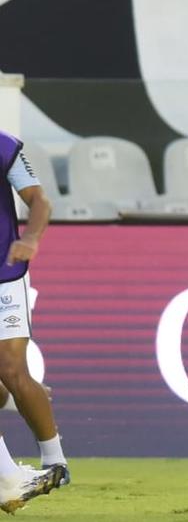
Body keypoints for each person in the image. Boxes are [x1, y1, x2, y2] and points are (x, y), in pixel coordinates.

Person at [0, 131, 70, 512]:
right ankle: (7, 478)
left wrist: (32, 238)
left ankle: (55, 461)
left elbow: (39, 201)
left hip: (4, 276)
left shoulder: (3, 146)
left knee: (11, 369)